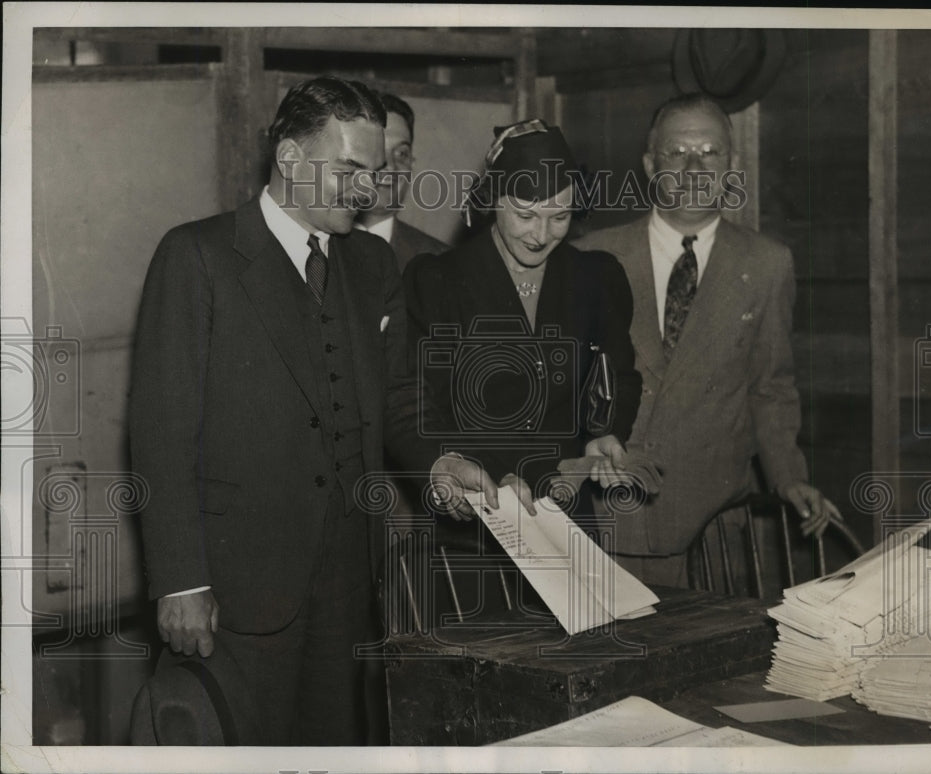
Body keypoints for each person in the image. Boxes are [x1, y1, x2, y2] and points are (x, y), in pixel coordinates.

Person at [129, 76, 502, 746]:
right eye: (349, 170)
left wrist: (442, 459)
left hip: (349, 584)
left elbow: (395, 399)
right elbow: (162, 433)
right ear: (290, 158)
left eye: (376, 171)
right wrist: (180, 580)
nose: (366, 190)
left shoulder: (372, 263)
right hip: (235, 588)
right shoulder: (198, 256)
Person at [574, 93, 840, 586]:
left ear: (732, 165)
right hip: (607, 519)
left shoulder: (766, 263)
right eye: (677, 153)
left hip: (713, 530)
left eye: (710, 152)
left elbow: (770, 387)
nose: (695, 167)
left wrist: (789, 476)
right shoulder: (591, 257)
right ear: (651, 165)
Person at [404, 119, 642, 519]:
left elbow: (618, 374)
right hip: (474, 511)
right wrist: (492, 474)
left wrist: (604, 431)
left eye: (559, 217)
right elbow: (421, 403)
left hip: (565, 512)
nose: (541, 234)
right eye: (525, 214)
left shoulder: (596, 278)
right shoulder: (437, 282)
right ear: (494, 199)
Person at [354, 91, 448, 271]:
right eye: (377, 149)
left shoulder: (440, 261)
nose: (389, 166)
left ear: (412, 165)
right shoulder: (314, 246)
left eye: (401, 154)